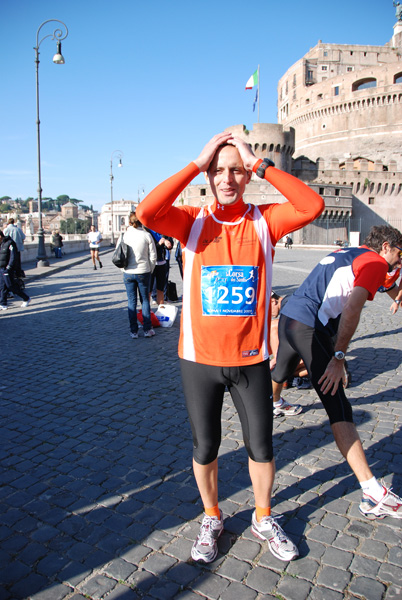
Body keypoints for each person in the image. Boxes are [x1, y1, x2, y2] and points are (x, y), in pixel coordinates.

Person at [136, 131, 324, 563]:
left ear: (246, 176)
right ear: (209, 175)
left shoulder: (266, 220)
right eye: (218, 171)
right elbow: (147, 211)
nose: (226, 178)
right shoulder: (190, 222)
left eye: (235, 170)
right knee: (206, 446)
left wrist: (261, 164)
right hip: (199, 360)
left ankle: (262, 515)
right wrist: (196, 162)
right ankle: (212, 516)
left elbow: (311, 206)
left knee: (261, 446)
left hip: (251, 360)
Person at [271, 225, 402, 520]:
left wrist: (395, 294)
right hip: (308, 326)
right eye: (399, 252)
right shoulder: (376, 262)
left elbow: (382, 286)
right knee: (338, 405)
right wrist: (338, 357)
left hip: (290, 316)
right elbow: (354, 308)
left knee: (282, 367)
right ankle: (373, 492)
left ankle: (275, 402)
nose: (399, 260)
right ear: (385, 247)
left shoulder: (350, 252)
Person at [122, 211, 157, 338]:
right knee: (145, 301)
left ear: (130, 222)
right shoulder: (146, 235)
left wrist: (123, 269)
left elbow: (118, 255)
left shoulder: (124, 235)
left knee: (131, 302)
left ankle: (134, 331)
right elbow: (153, 256)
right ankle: (147, 329)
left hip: (128, 272)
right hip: (144, 271)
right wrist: (150, 269)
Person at [0, 230, 31, 310]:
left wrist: (9, 267)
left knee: (11, 286)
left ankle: (26, 298)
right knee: (2, 286)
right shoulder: (1, 244)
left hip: (7, 268)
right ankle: (3, 303)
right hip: (1, 268)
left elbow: (13, 256)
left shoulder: (10, 243)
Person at [147, 230, 173, 305]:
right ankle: (147, 311)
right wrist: (159, 244)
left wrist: (168, 244)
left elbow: (170, 241)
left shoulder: (163, 230)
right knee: (149, 289)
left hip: (162, 262)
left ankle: (161, 308)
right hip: (151, 263)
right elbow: (148, 248)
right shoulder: (147, 231)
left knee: (160, 288)